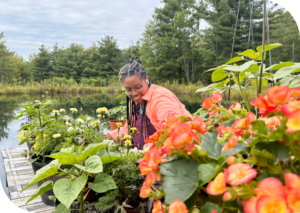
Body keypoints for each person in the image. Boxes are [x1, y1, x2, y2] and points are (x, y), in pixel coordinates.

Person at [106, 58, 191, 150]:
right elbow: (128, 129)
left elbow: (172, 130)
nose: (134, 93)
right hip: (144, 154)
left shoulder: (161, 97)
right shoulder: (135, 104)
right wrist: (108, 138)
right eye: (129, 90)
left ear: (146, 79)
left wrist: (148, 149)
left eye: (138, 87)